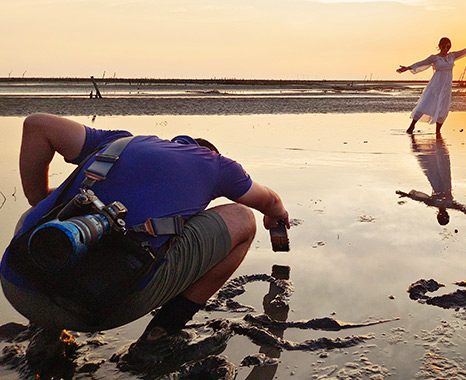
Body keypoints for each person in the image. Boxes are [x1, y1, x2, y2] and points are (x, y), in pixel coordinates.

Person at [0, 113, 289, 343]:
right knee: (243, 218)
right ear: (208, 152)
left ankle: (45, 331)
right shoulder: (217, 165)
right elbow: (271, 200)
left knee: (42, 211)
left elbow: (37, 124)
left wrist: (40, 200)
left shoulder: (120, 142)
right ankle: (160, 336)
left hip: (17, 284)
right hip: (100, 308)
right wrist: (277, 216)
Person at [397, 37, 466, 137]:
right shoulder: (434, 58)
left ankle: (438, 131)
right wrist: (407, 68)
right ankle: (412, 126)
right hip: (435, 85)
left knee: (443, 107)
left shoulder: (452, 56)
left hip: (446, 86)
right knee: (425, 104)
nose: (446, 48)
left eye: (448, 46)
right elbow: (421, 63)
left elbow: (464, 51)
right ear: (440, 46)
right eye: (444, 46)